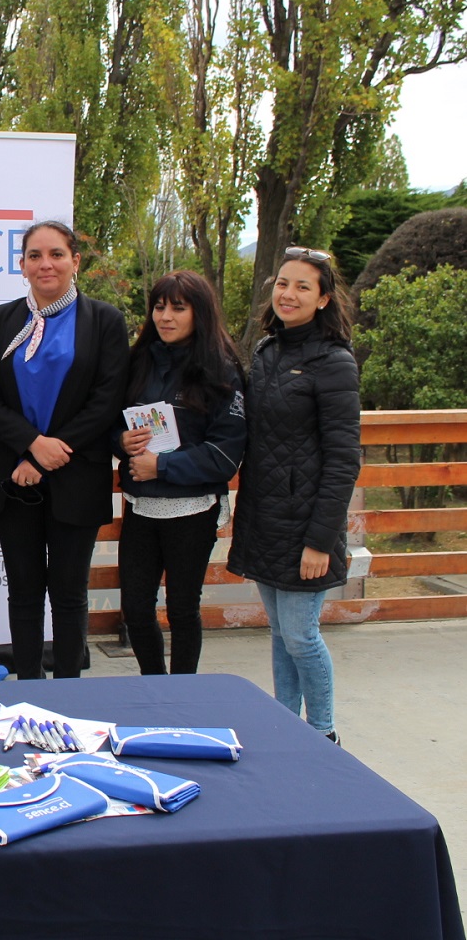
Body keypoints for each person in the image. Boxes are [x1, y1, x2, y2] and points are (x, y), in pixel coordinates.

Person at [0, 221, 129, 679]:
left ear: (75, 261)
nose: (46, 264)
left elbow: (107, 398)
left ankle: (68, 690)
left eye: (57, 254)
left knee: (68, 591)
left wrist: (50, 452)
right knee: (23, 590)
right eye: (35, 255)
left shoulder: (104, 321)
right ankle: (28, 686)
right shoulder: (1, 321)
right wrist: (31, 445)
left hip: (77, 473)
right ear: (21, 265)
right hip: (13, 475)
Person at [228, 246, 360, 743]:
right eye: (283, 283)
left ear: (324, 299)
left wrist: (321, 541)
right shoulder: (267, 352)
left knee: (303, 636)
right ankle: (286, 727)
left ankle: (323, 733)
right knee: (281, 635)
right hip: (264, 518)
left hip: (308, 527)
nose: (289, 294)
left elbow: (344, 460)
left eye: (303, 286)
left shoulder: (334, 363)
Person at [112, 270, 246, 676]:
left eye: (178, 308)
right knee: (136, 608)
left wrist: (162, 465)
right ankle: (155, 686)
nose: (165, 316)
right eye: (159, 306)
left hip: (192, 509)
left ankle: (184, 692)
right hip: (140, 506)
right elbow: (109, 423)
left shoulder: (221, 369)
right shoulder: (137, 362)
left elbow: (226, 453)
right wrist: (123, 442)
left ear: (199, 314)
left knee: (182, 608)